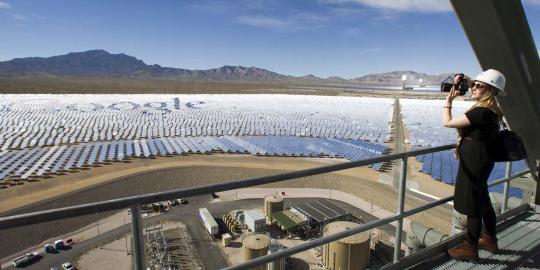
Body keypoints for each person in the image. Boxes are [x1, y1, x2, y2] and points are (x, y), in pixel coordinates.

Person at [442, 69, 506, 262]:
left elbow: (448, 123)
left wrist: (448, 102)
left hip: (474, 163)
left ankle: (470, 248)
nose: (474, 88)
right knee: (482, 199)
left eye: (479, 85)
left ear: (491, 90)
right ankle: (489, 239)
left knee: (473, 205)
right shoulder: (490, 110)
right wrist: (463, 81)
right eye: (474, 85)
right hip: (480, 160)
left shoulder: (481, 112)